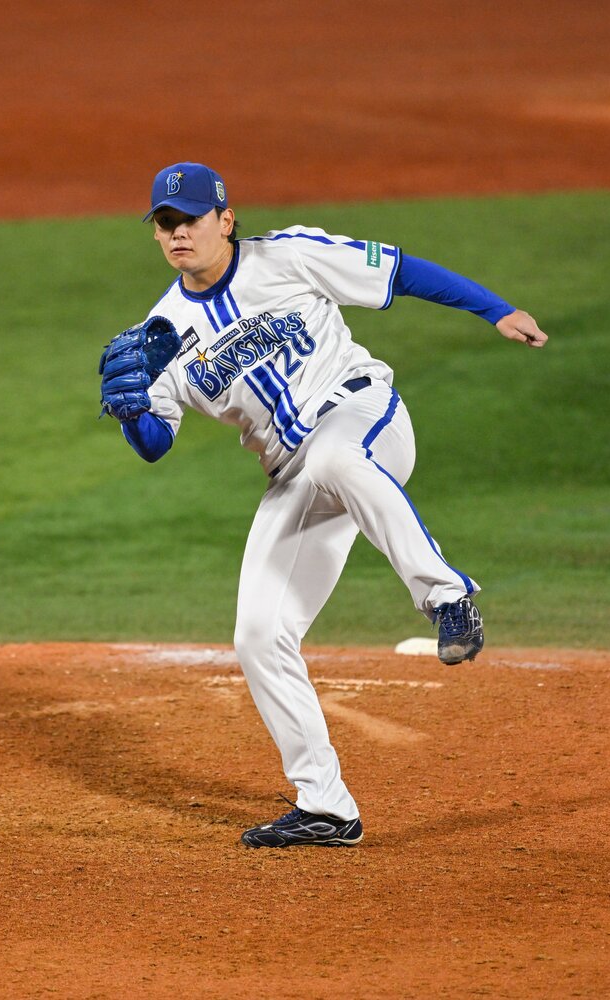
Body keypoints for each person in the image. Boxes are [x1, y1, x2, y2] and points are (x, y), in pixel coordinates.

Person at [99, 162, 548, 848]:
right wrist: (133, 413)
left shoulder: (287, 255)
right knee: (258, 636)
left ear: (225, 219)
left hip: (365, 416)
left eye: (190, 218)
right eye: (165, 223)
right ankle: (327, 805)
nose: (177, 232)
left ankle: (448, 598)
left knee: (339, 455)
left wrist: (495, 309)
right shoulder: (159, 334)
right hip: (296, 477)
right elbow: (157, 443)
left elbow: (399, 272)